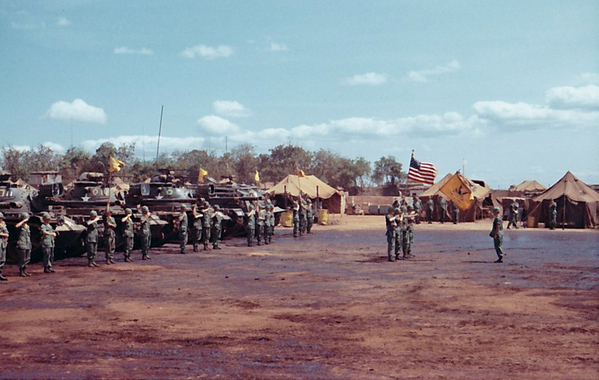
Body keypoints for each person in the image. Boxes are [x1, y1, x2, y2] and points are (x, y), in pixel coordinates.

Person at [0, 212, 9, 281]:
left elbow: (7, 232)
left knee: (2, 259)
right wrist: (3, 234)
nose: (1, 219)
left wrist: (6, 238)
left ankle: (0, 274)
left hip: (3, 242)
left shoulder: (3, 224)